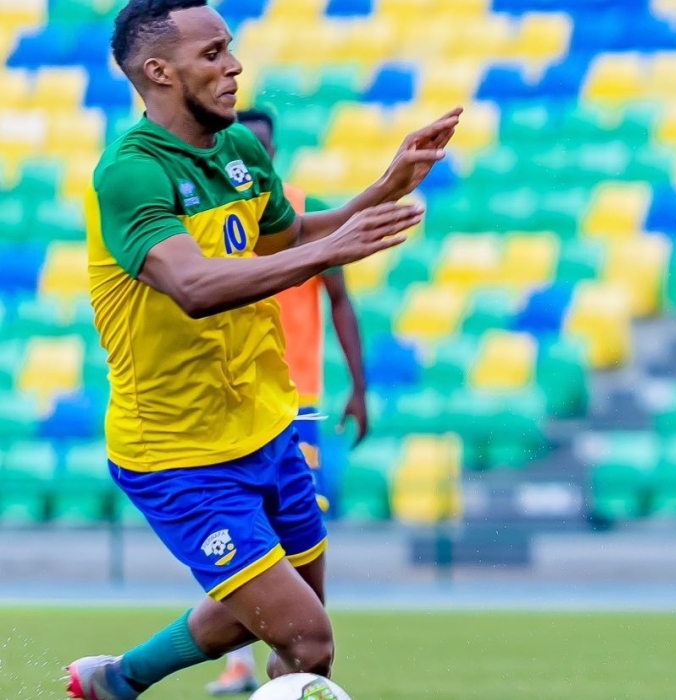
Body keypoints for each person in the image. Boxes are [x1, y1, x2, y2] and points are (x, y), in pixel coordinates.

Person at [65, 0, 460, 697]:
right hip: (179, 454)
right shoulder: (130, 174)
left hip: (268, 427)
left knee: (299, 645)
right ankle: (122, 680)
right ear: (158, 71)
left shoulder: (240, 151)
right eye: (212, 53)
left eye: (230, 47)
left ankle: (119, 682)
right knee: (306, 634)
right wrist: (328, 253)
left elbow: (293, 241)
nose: (235, 65)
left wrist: (382, 189)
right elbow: (190, 284)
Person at [201, 107, 373, 697]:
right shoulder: (210, 214)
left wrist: (360, 386)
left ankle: (299, 660)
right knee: (247, 537)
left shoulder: (296, 211)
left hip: (299, 401)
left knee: (294, 538)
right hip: (233, 401)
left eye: (266, 148)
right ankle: (255, 663)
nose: (259, 158)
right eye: (250, 147)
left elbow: (341, 299)